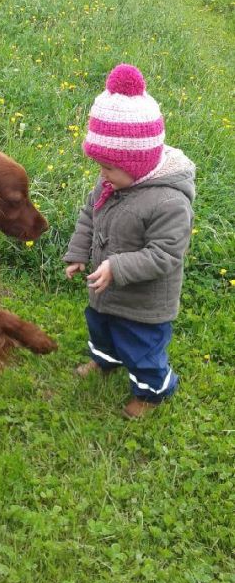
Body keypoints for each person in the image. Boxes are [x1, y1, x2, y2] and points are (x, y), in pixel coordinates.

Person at [64, 63, 195, 419]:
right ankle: (104, 360)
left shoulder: (169, 202)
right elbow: (89, 215)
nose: (101, 174)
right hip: (105, 293)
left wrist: (116, 266)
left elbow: (165, 253)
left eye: (109, 167)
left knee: (142, 350)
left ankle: (152, 391)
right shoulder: (109, 185)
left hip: (143, 304)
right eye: (100, 166)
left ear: (137, 164)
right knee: (102, 331)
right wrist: (78, 252)